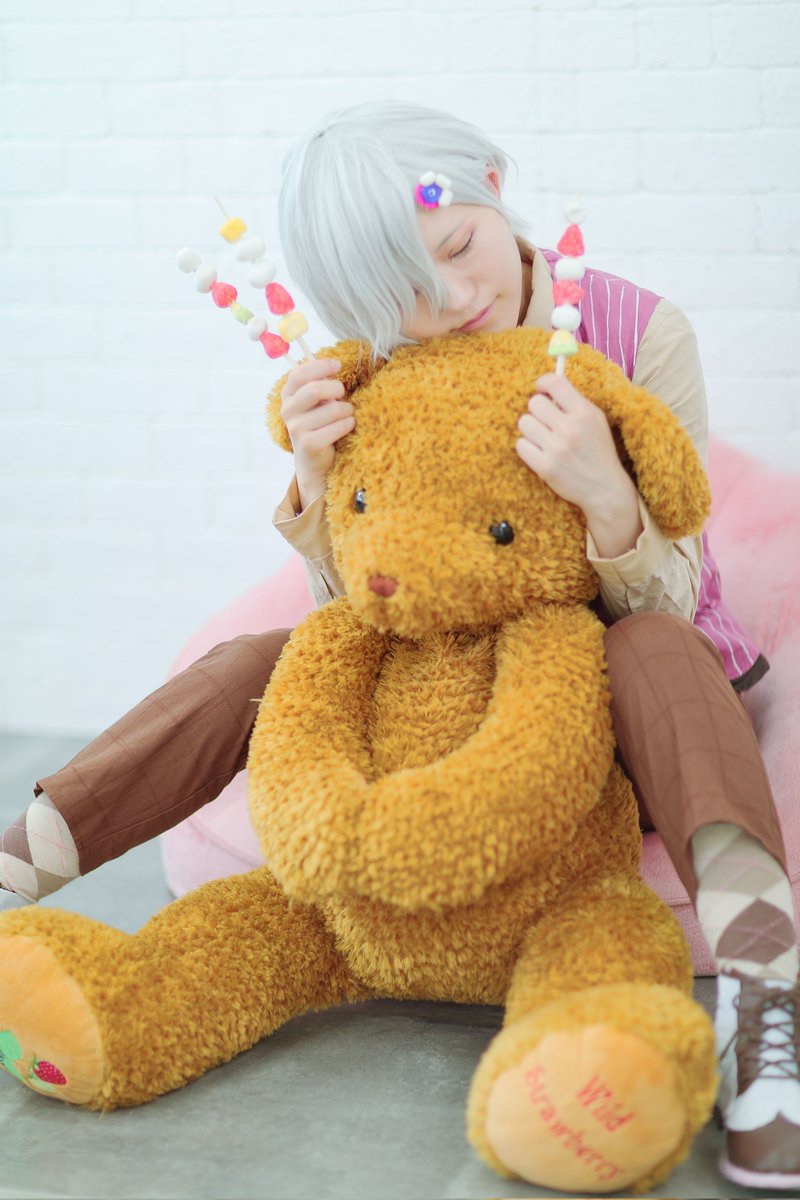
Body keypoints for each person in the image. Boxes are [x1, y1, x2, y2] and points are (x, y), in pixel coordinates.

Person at [1, 101, 797, 1191]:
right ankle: (20, 864)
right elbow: (359, 607)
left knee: (650, 645)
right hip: (437, 693)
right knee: (254, 661)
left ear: (490, 184)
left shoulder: (635, 332)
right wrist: (318, 482)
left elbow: (681, 582)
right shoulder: (373, 361)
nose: (450, 301)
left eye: (459, 246)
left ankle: (766, 1010)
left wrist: (604, 493)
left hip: (621, 707)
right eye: (401, 292)